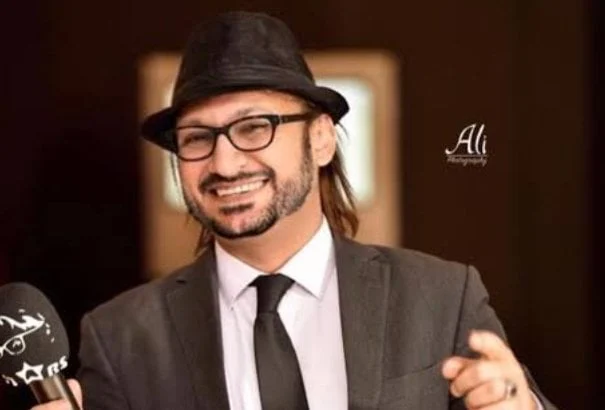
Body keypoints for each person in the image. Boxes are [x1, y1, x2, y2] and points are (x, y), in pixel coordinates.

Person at [33, 11, 557, 410]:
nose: (225, 163)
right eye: (197, 138)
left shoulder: (441, 298)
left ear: (322, 138)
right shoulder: (122, 340)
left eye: (254, 127)